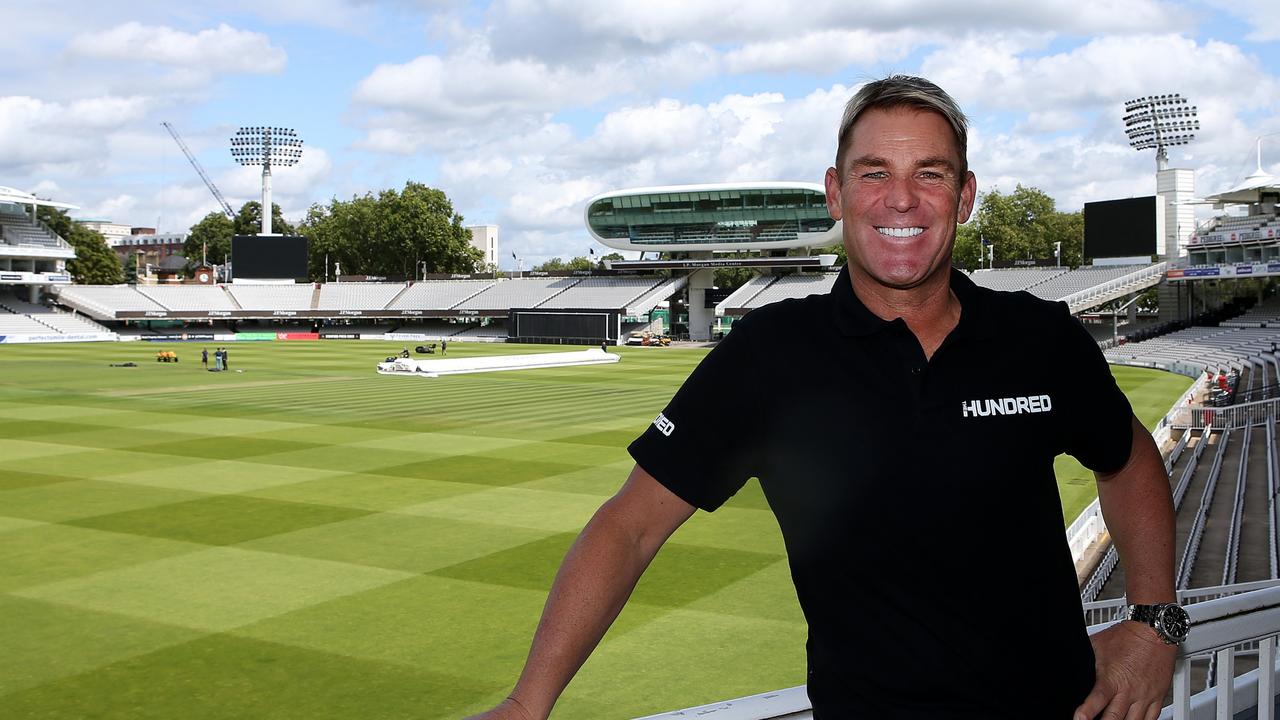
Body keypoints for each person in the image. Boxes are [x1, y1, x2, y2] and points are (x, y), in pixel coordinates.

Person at [468, 76, 1179, 720]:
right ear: (836, 194)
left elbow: (1127, 458)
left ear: (964, 195)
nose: (901, 199)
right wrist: (529, 703)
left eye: (930, 174)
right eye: (876, 174)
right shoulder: (770, 354)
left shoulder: (1040, 337)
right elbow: (630, 526)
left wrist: (1155, 620)